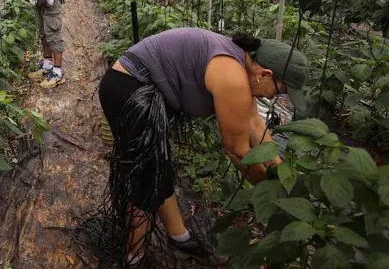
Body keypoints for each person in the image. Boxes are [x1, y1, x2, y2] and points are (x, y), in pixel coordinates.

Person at [96, 28, 308, 267]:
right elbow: (238, 151)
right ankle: (133, 258)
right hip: (127, 88)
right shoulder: (232, 76)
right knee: (145, 178)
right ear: (265, 74)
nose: (273, 98)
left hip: (138, 85)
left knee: (158, 165)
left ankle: (179, 237)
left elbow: (255, 126)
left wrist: (284, 176)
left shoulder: (243, 66)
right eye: (280, 91)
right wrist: (274, 193)